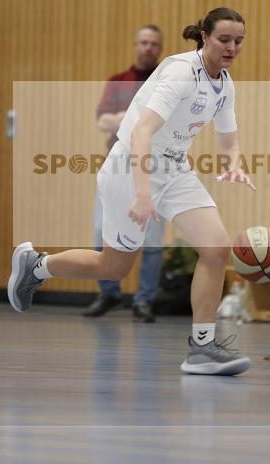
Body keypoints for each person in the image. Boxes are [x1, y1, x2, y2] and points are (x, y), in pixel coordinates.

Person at [8, 7, 255, 376]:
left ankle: (202, 348)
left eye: (238, 41)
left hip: (174, 169)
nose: (232, 47)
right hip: (129, 168)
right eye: (224, 39)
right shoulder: (180, 72)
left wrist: (233, 161)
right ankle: (38, 266)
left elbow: (228, 137)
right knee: (115, 265)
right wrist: (142, 193)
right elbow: (140, 132)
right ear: (204, 36)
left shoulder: (225, 84)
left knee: (216, 247)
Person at [84, 25, 165, 323]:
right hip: (116, 167)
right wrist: (133, 120)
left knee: (153, 241)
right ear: (136, 45)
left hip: (155, 169)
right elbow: (104, 122)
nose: (148, 48)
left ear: (160, 48)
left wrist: (124, 120)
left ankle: (144, 301)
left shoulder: (165, 82)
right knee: (99, 232)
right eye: (144, 42)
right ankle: (109, 293)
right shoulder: (119, 81)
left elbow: (164, 126)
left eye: (154, 44)